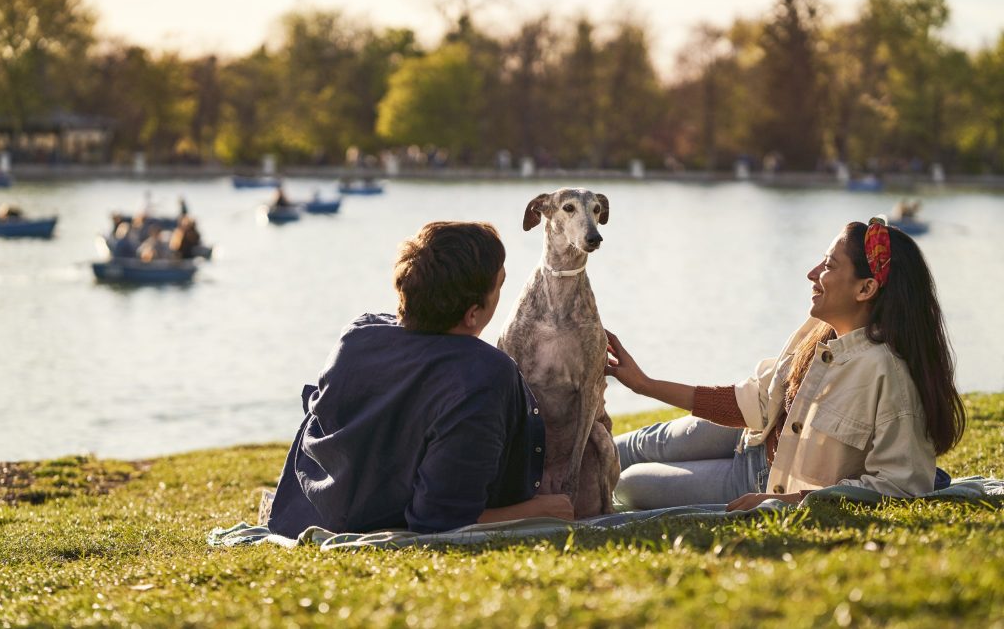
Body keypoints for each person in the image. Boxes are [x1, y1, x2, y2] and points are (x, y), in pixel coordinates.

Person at [605, 218, 966, 511]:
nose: (812, 274)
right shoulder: (820, 333)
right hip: (751, 434)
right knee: (636, 444)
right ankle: (547, 481)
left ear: (865, 289)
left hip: (760, 481)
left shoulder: (889, 375)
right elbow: (756, 402)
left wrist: (784, 500)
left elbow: (898, 486)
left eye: (828, 265)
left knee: (630, 484)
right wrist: (644, 384)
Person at [267, 221, 573, 537]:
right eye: (500, 285)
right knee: (625, 459)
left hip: (311, 510)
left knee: (626, 444)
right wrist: (545, 510)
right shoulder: (483, 374)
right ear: (472, 314)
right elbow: (439, 520)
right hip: (384, 513)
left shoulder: (359, 335)